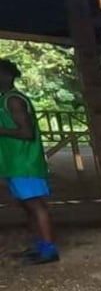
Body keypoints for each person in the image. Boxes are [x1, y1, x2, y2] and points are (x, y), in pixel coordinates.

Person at [0, 58, 59, 264]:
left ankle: (49, 250)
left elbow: (26, 133)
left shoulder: (13, 100)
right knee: (27, 205)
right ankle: (40, 245)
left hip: (24, 162)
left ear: (7, 76)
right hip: (14, 162)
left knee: (35, 205)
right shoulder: (5, 99)